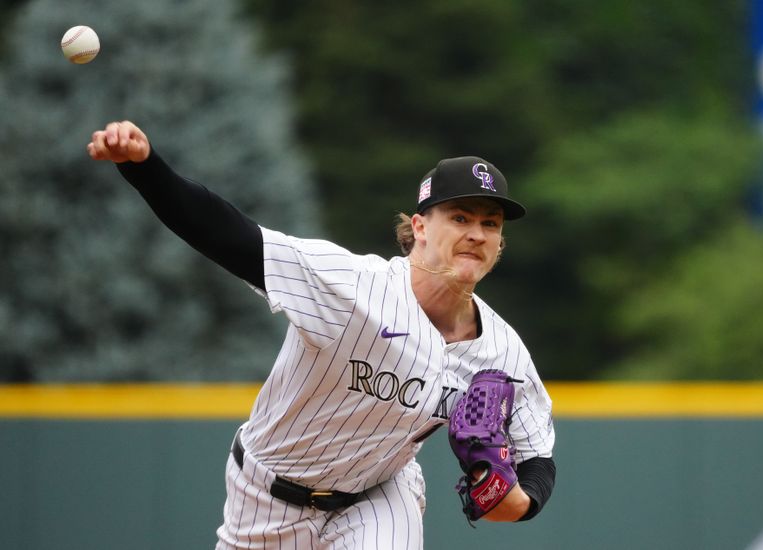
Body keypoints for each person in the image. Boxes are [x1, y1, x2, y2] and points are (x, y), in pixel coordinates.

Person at [87, 121, 556, 549]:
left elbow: (537, 458)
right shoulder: (352, 287)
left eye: (489, 224)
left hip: (376, 496)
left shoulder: (501, 351)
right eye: (460, 217)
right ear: (419, 228)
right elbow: (227, 235)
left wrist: (518, 500)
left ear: (499, 244)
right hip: (266, 496)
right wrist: (144, 169)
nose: (477, 233)